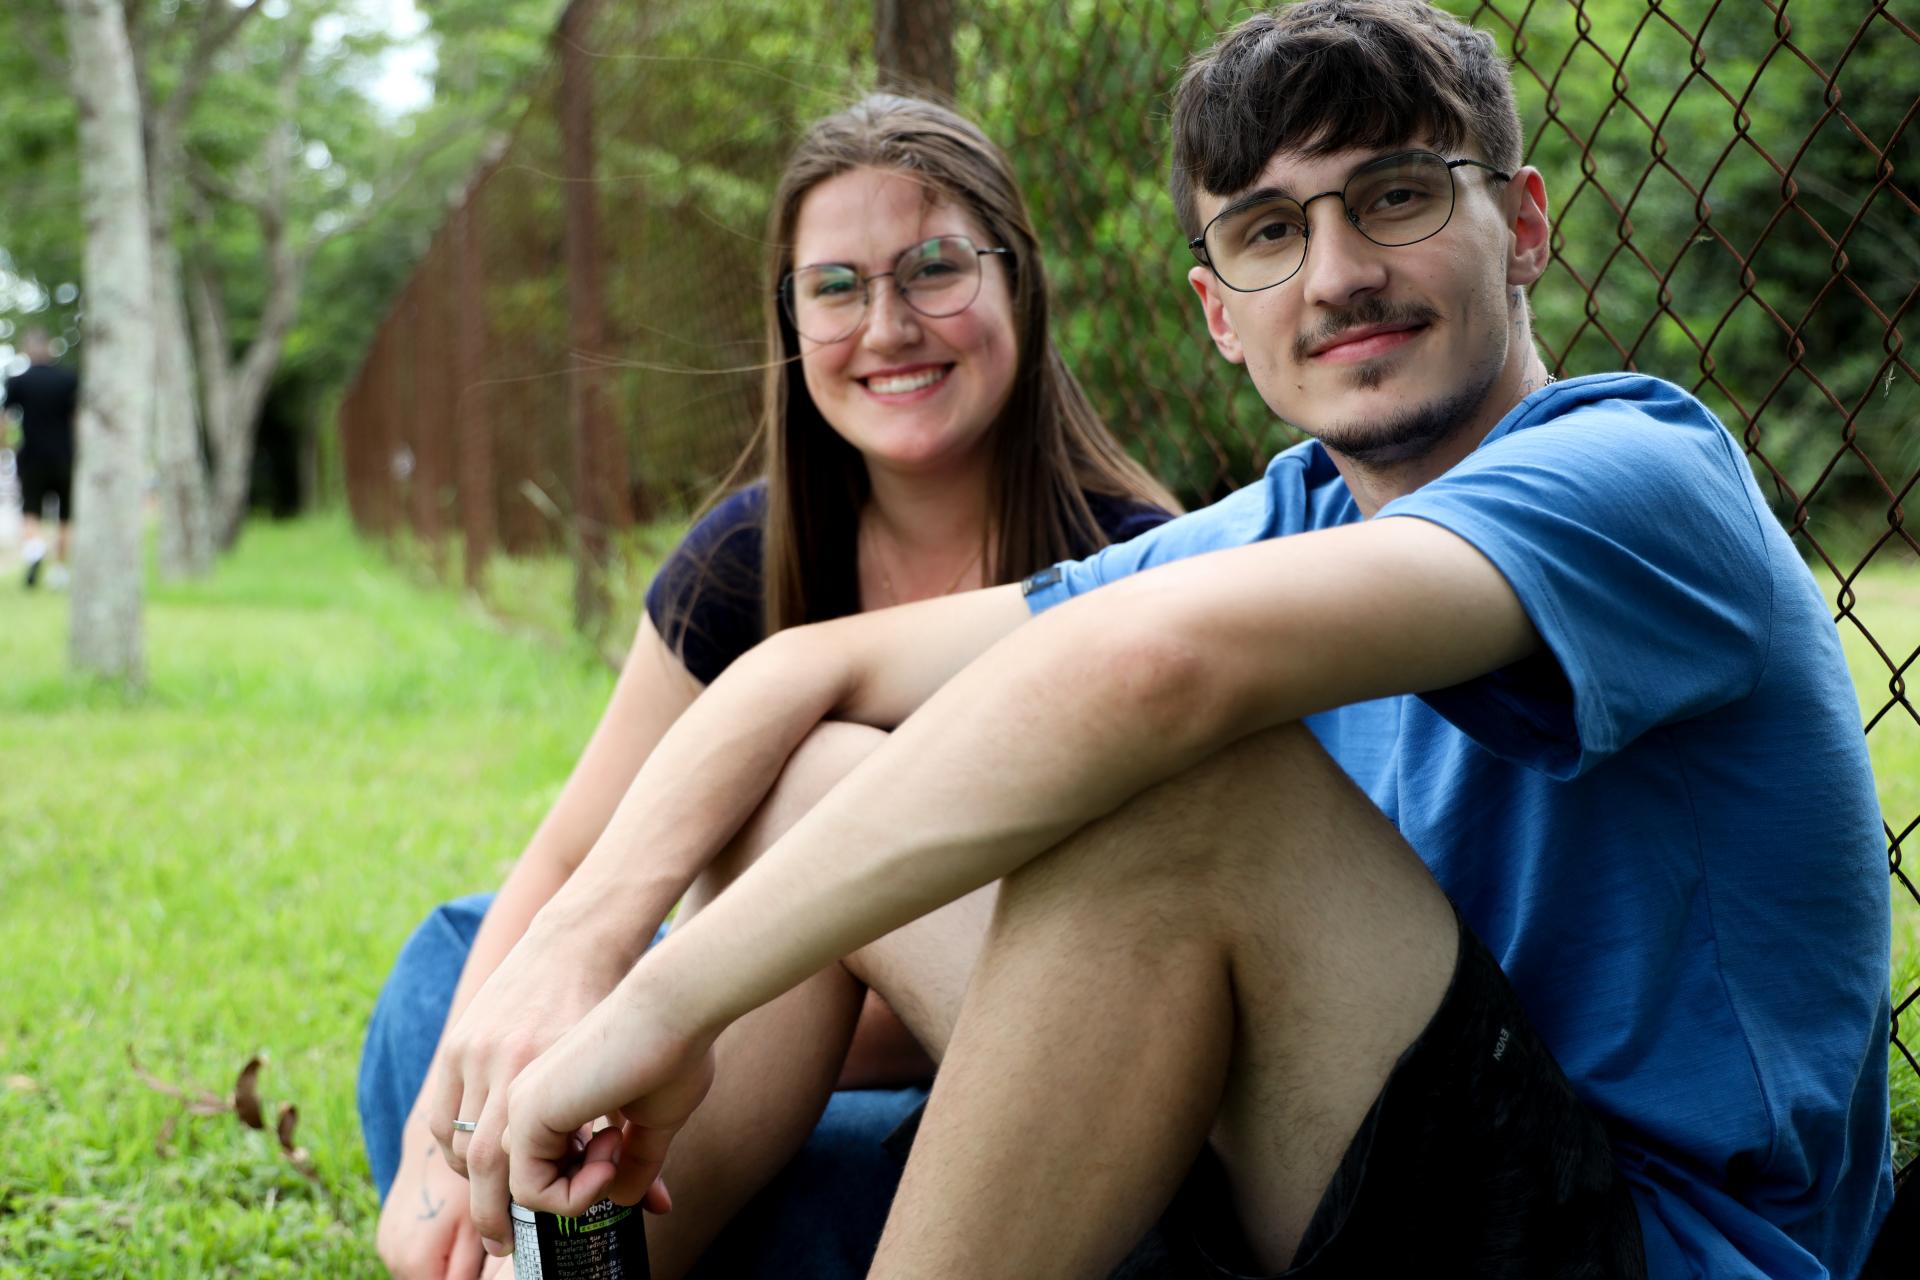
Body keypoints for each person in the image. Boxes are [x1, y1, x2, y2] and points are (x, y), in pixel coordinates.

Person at [440, 2, 1897, 1277]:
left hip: (1627, 1239)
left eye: (1394, 196)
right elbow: (802, 667)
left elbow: (1149, 676)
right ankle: (551, 1268)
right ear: (1216, 312)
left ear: (1520, 224)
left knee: (1191, 789)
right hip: (1327, 1174)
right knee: (814, 776)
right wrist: (582, 952)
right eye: (1269, 231)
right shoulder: (1284, 518)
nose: (1335, 273)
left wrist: (669, 998)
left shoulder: (1637, 475)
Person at [358, 93, 1179, 1279]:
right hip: (717, 1054)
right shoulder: (747, 555)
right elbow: (568, 859)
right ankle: (535, 1222)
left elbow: (1097, 977)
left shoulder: (1130, 568)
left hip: (978, 1082)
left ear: (1020, 282)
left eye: (935, 269)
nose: (888, 326)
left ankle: (570, 1231)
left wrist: (679, 1017)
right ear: (791, 319)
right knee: (454, 955)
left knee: (833, 1119)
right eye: (836, 287)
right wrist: (440, 1150)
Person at [3, 330, 79, 589]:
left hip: (32, 457)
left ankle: (35, 548)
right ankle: (59, 569)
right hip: (65, 456)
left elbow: (5, 419)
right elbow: (77, 418)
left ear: (27, 350)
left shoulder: (18, 381)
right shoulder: (68, 379)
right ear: (50, 348)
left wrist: (5, 446)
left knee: (31, 510)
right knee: (65, 515)